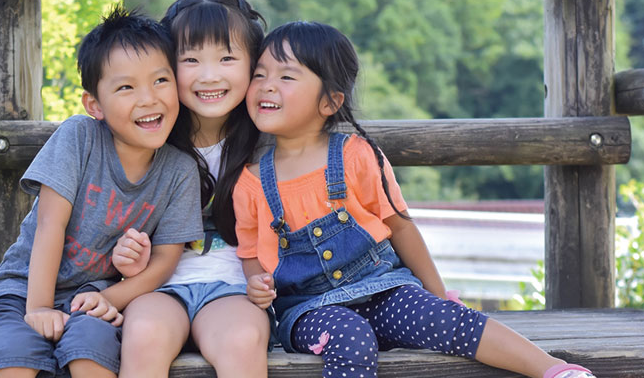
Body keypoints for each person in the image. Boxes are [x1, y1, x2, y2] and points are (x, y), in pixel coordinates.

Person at [232, 21, 597, 378]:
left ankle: (554, 370)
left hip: (383, 290)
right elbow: (251, 255)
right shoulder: (251, 184)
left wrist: (438, 296)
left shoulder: (356, 156)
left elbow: (401, 229)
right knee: (351, 337)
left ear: (330, 101)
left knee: (448, 319)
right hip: (309, 311)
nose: (267, 86)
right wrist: (257, 284)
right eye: (259, 75)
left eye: (286, 76)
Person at [0, 6, 204, 378]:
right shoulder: (79, 137)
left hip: (95, 296)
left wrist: (107, 299)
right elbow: (50, 225)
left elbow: (164, 262)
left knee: (92, 354)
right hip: (24, 289)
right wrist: (39, 308)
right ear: (95, 105)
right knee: (13, 357)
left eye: (160, 80)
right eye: (126, 87)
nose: (148, 98)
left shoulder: (179, 171)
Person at [109, 0, 272, 378]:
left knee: (242, 340)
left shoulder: (269, 138)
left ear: (253, 63)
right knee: (144, 334)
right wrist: (126, 254)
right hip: (158, 285)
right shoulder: (146, 133)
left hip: (236, 287)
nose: (209, 75)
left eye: (227, 58)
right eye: (191, 59)